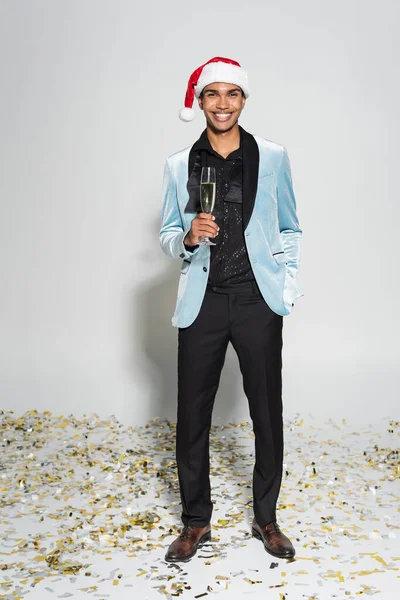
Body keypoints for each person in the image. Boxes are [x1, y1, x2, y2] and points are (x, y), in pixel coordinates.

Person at [159, 56, 303, 563]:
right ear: (199, 102)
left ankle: (267, 519)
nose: (222, 104)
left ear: (244, 100)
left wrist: (285, 287)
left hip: (256, 300)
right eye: (212, 94)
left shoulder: (274, 156)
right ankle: (196, 522)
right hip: (202, 302)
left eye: (232, 94)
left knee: (267, 412)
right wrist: (187, 239)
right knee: (192, 416)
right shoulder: (180, 164)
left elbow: (290, 226)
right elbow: (166, 233)